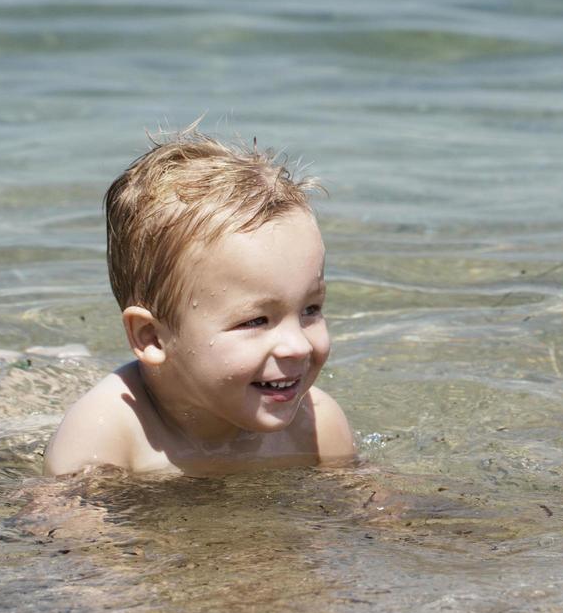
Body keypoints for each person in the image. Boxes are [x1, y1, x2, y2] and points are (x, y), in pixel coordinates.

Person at [44, 130, 355, 476]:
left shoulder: (316, 426)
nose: (297, 347)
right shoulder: (104, 439)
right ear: (152, 337)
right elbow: (62, 527)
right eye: (256, 321)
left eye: (310, 310)